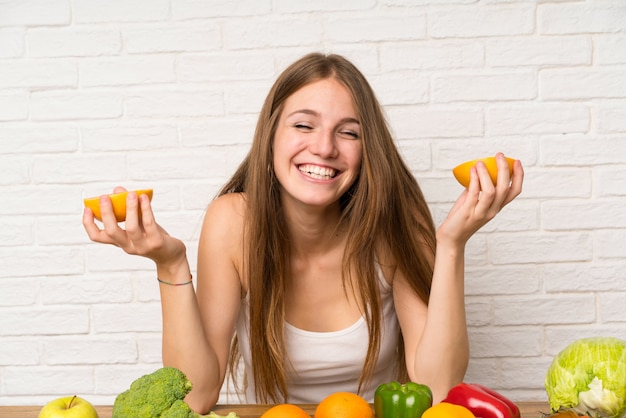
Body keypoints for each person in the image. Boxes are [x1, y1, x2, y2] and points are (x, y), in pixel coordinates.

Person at [83, 52, 523, 414]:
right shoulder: (233, 223)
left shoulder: (395, 218)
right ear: (271, 134)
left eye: (348, 132)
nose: (325, 147)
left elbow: (439, 388)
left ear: (367, 150)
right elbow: (196, 396)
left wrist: (451, 246)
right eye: (303, 125)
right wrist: (170, 262)